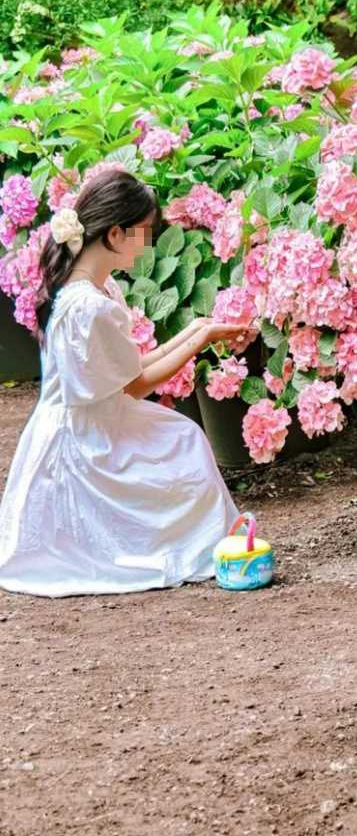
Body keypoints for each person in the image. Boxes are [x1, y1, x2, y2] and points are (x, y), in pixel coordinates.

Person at [0, 169, 252, 597]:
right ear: (115, 234)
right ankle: (187, 547)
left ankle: (196, 543)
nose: (147, 245)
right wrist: (200, 340)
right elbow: (134, 385)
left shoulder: (94, 290)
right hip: (83, 440)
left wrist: (197, 330)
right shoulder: (90, 307)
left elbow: (129, 368)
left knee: (183, 437)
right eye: (143, 233)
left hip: (94, 421)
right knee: (183, 441)